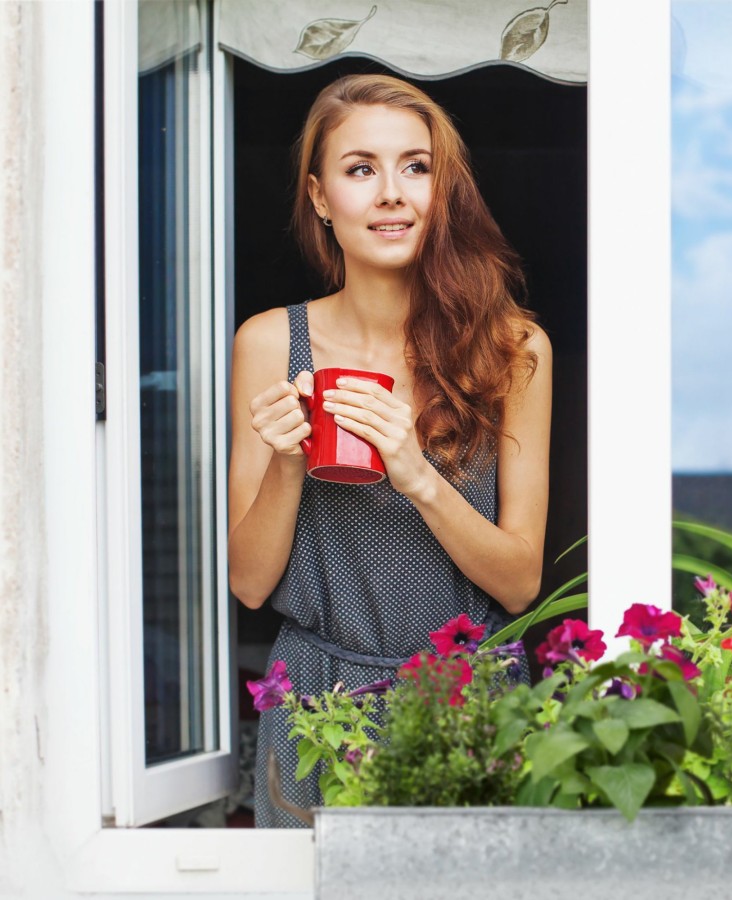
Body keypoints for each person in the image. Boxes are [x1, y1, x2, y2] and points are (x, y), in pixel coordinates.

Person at [227, 74, 552, 828]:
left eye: (416, 166)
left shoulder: (512, 349)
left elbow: (519, 583)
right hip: (318, 696)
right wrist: (286, 461)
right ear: (318, 196)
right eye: (360, 169)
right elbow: (248, 584)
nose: (391, 194)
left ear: (443, 191)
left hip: (468, 702)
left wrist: (416, 474)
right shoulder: (272, 342)